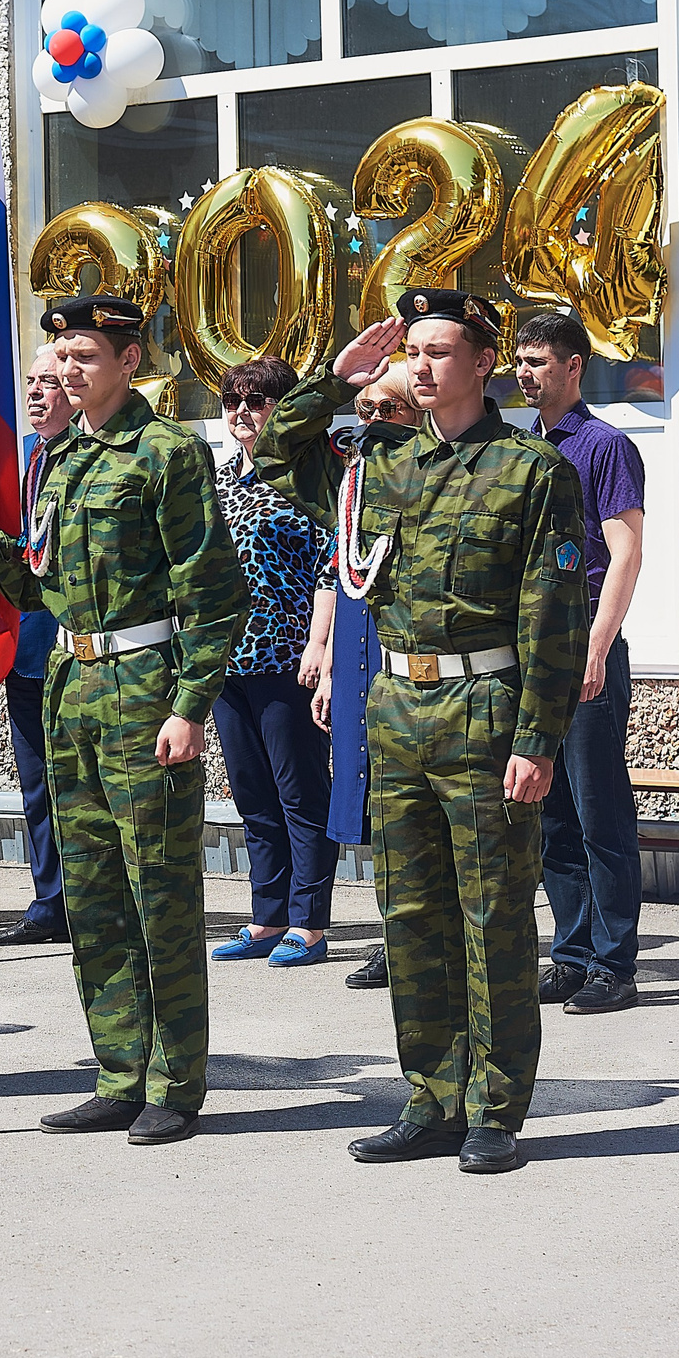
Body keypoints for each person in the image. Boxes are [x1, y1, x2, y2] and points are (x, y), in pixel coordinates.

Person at [258, 293, 589, 1175]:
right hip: (398, 711)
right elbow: (275, 455)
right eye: (413, 351)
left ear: (484, 362)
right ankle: (432, 1095)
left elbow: (552, 616)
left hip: (485, 710)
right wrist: (332, 379)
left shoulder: (530, 469)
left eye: (441, 350)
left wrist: (539, 738)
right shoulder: (381, 462)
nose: (424, 365)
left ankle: (495, 1108)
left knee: (491, 917)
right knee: (410, 915)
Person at [0, 294, 246, 1147]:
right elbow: (44, 584)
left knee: (159, 894)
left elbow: (217, 593)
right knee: (95, 896)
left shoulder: (166, 453)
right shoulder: (62, 458)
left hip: (145, 686)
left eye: (83, 356)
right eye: (61, 357)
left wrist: (190, 707)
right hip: (72, 686)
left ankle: (175, 1084)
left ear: (128, 360)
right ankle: (119, 1070)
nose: (67, 371)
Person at [514, 310, 648, 1018]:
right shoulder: (519, 449)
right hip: (533, 655)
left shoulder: (604, 446)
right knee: (551, 816)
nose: (524, 372)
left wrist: (596, 645)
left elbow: (623, 552)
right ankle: (569, 953)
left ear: (573, 366)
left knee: (600, 814)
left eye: (538, 360)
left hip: (584, 650)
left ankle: (614, 961)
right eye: (519, 360)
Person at [203, 356, 339, 970]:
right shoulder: (219, 479)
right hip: (229, 661)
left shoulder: (309, 477)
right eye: (232, 401)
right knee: (252, 796)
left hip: (287, 657)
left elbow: (331, 567)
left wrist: (320, 647)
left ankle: (309, 923)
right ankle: (266, 915)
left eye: (255, 401)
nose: (241, 413)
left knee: (300, 794)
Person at [305, 370, 419, 991]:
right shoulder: (354, 482)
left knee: (407, 800)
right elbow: (336, 571)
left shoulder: (425, 475)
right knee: (368, 797)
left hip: (402, 654)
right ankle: (390, 932)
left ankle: (419, 937)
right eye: (363, 406)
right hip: (353, 650)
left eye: (386, 406)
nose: (371, 418)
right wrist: (325, 661)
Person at [0, 342, 71, 950]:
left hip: (82, 652)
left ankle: (89, 897)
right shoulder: (29, 460)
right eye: (31, 381)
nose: (36, 392)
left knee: (79, 784)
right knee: (37, 782)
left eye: (49, 381)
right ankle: (51, 898)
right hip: (29, 649)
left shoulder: (83, 455)